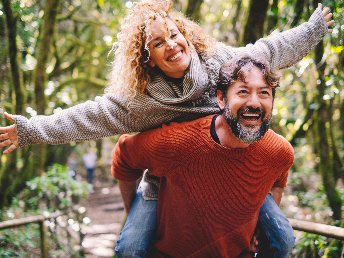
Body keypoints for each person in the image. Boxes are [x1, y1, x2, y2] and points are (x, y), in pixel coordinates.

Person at [0, 0, 334, 256]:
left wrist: (314, 28)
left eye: (174, 35)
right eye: (158, 44)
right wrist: (31, 130)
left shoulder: (219, 62)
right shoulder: (140, 101)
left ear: (186, 36)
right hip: (166, 179)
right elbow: (89, 117)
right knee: (130, 248)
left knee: (283, 238)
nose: (171, 45)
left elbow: (268, 50)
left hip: (231, 168)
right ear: (148, 59)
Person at [111, 55, 294, 257]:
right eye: (242, 92)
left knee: (284, 240)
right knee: (129, 250)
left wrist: (261, 224)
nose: (254, 102)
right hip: (170, 249)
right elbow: (124, 154)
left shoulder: (279, 151)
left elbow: (278, 180)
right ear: (221, 99)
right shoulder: (178, 143)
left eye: (264, 93)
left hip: (237, 251)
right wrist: (133, 212)